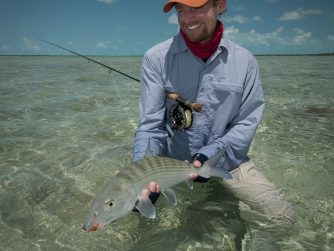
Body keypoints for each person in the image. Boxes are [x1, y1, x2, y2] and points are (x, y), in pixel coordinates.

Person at [132, 0, 295, 247]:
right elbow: (150, 127)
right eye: (181, 10)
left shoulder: (245, 61)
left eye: (195, 8)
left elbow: (246, 123)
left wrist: (208, 155)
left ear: (220, 5)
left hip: (228, 157)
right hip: (170, 162)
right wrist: (140, 171)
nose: (187, 19)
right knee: (137, 221)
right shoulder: (155, 58)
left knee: (283, 218)